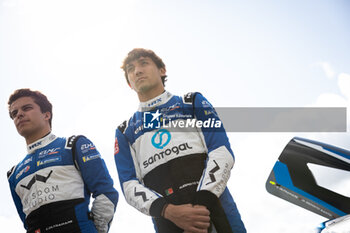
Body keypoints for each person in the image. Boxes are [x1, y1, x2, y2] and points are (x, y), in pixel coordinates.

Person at [114, 48, 246, 233]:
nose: (137, 71)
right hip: (168, 223)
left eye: (144, 63)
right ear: (129, 83)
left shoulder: (191, 102)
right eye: (131, 69)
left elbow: (221, 151)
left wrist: (201, 206)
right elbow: (129, 185)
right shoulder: (124, 130)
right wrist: (169, 211)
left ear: (162, 70)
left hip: (216, 212)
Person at [7, 88, 119, 233]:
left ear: (46, 114)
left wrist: (95, 229)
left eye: (27, 108)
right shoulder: (14, 174)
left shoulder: (73, 145)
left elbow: (106, 192)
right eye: (14, 114)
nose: (19, 115)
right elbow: (27, 223)